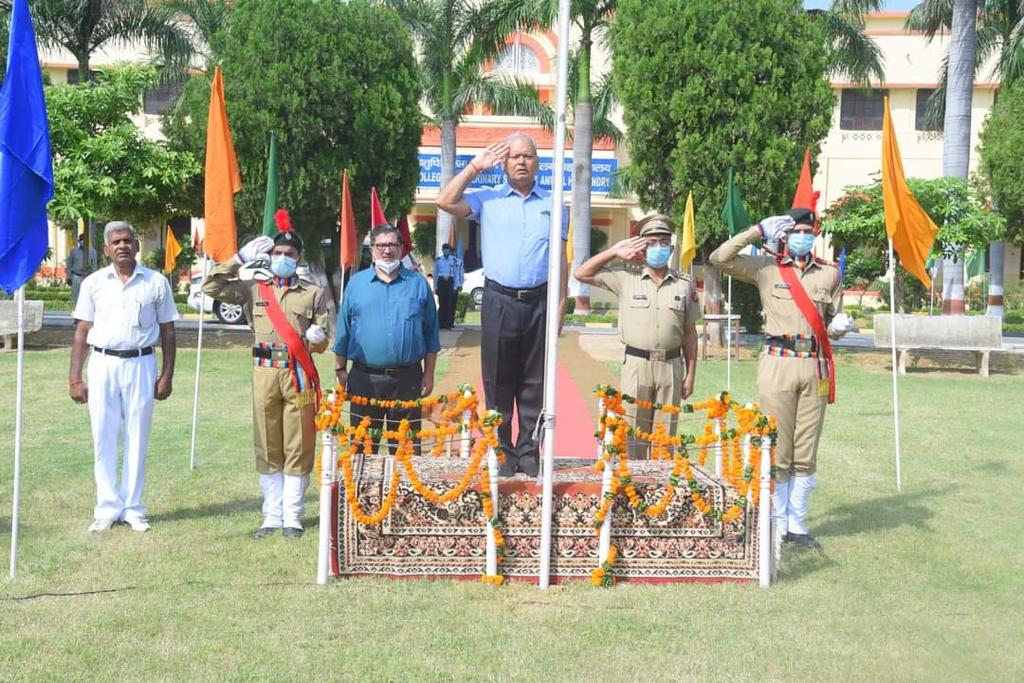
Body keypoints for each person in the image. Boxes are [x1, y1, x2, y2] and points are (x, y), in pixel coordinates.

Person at [709, 208, 853, 549]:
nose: (804, 236)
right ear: (785, 236)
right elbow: (719, 258)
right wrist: (756, 231)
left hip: (814, 365)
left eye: (810, 231)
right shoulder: (766, 269)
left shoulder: (829, 275)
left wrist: (839, 328)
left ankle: (797, 525)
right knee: (777, 446)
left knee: (806, 448)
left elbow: (832, 325)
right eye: (798, 231)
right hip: (778, 362)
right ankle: (774, 521)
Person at [436, 133, 569, 477]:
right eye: (514, 157)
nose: (521, 162)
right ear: (504, 164)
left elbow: (561, 261)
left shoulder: (554, 206)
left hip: (539, 300)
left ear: (537, 162)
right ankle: (502, 452)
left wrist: (560, 306)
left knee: (535, 383)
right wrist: (475, 167)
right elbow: (445, 200)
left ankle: (529, 452)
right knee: (497, 382)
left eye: (528, 156)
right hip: (499, 301)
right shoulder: (487, 200)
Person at [202, 211, 331, 540]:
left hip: (297, 373)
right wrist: (239, 258)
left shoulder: (313, 293)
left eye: (289, 254)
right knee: (267, 443)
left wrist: (318, 340)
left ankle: (293, 517)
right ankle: (271, 517)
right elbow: (211, 286)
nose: (282, 258)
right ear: (268, 256)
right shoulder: (254, 289)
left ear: (298, 258)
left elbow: (322, 339)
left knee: (299, 443)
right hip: (264, 373)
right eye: (277, 253)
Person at [69, 221, 178, 533]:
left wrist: (166, 375)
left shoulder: (155, 282)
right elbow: (82, 331)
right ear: (105, 249)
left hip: (141, 364)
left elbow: (168, 331)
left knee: (137, 435)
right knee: (103, 435)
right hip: (102, 364)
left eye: (128, 240)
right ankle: (106, 507)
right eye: (115, 241)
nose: (122, 246)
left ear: (137, 245)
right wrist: (75, 377)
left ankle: (132, 507)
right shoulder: (93, 284)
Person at [575, 214, 700, 458]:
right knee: (633, 435)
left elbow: (690, 333)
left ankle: (661, 492)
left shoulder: (684, 284)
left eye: (663, 242)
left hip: (670, 366)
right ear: (641, 247)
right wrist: (614, 251)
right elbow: (581, 273)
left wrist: (690, 375)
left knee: (665, 438)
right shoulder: (625, 277)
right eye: (651, 242)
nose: (658, 248)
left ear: (671, 246)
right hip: (636, 365)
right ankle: (635, 489)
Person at [334, 224, 440, 454]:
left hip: (408, 379)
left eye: (392, 244)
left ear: (402, 248)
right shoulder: (356, 285)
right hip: (364, 379)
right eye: (381, 245)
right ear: (372, 249)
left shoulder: (418, 284)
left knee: (406, 450)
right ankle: (361, 491)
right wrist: (340, 370)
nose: (387, 250)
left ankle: (403, 490)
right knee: (362, 449)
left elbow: (431, 334)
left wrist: (429, 374)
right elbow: (342, 331)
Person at [434, 243, 462, 329]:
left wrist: (456, 286)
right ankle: (441, 323)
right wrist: (435, 286)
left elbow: (456, 273)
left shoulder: (453, 260)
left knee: (450, 303)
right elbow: (435, 274)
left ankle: (449, 323)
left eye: (447, 249)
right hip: (441, 282)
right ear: (442, 250)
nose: (446, 251)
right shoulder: (438, 260)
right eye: (444, 249)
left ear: (449, 251)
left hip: (450, 281)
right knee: (442, 303)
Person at [67, 233, 98, 307]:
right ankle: (76, 310)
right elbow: (69, 265)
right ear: (79, 242)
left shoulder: (92, 252)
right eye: (81, 240)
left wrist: (95, 279)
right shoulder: (74, 251)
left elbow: (94, 266)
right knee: (76, 295)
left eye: (84, 240)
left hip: (88, 276)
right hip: (76, 276)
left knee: (88, 295)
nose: (82, 242)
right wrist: (68, 277)